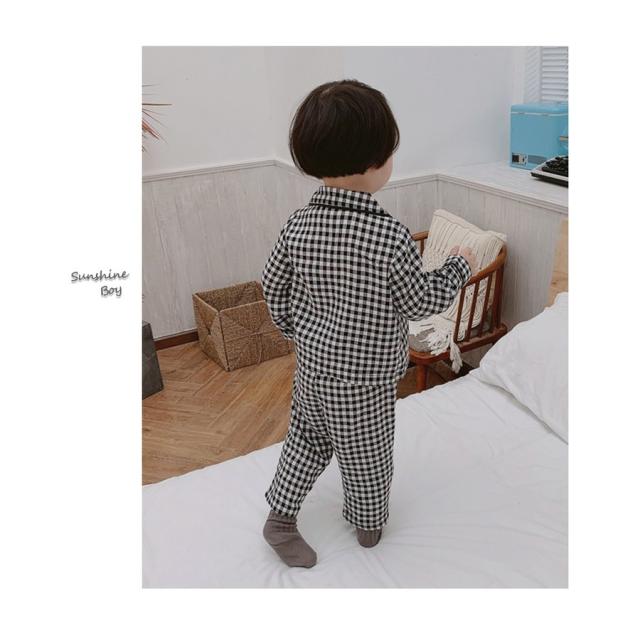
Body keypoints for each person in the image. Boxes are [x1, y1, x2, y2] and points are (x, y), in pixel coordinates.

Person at [261, 79, 477, 568]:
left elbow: (272, 286)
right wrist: (459, 264)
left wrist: (298, 334)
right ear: (374, 161)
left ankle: (280, 518)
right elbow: (422, 301)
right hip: (366, 381)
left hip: (313, 370)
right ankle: (368, 524)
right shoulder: (389, 236)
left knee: (305, 441)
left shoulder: (298, 225)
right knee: (368, 456)